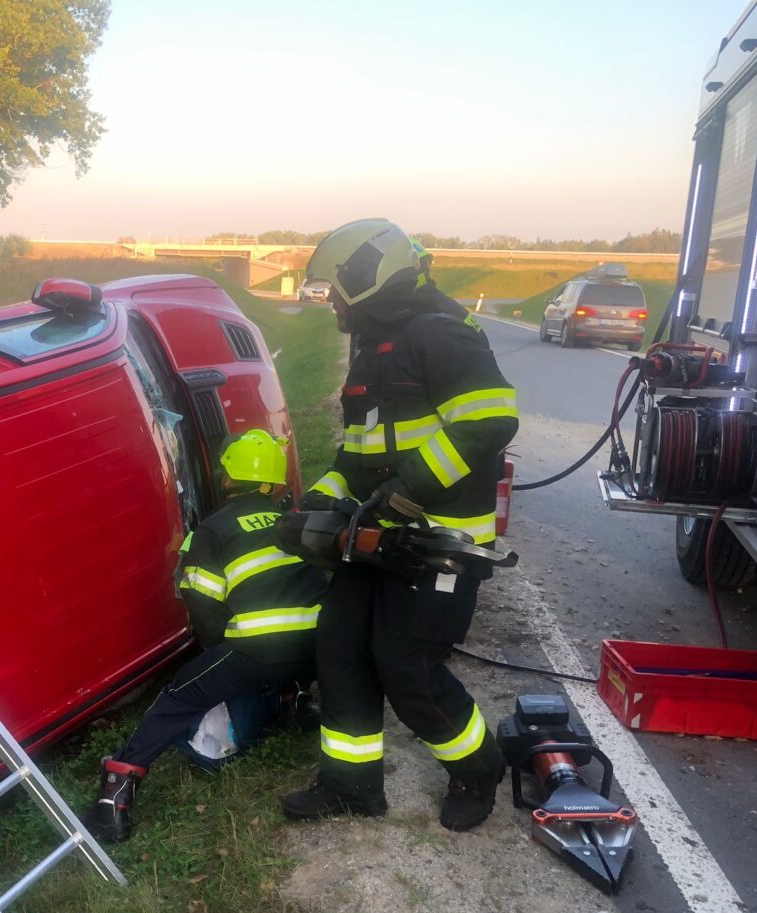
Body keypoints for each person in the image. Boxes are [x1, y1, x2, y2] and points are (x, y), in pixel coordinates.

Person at [281, 218, 519, 832]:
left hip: (441, 542)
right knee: (340, 649)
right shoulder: (372, 347)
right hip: (380, 536)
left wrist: (404, 491)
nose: (329, 301)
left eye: (334, 289)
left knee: (405, 665)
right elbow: (357, 453)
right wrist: (319, 503)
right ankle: (351, 783)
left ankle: (477, 766)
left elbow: (490, 421)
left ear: (366, 280)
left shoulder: (442, 334)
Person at [84, 430, 327, 843]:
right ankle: (295, 705)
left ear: (228, 480)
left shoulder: (212, 531)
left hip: (255, 650)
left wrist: (220, 660)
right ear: (274, 483)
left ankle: (115, 793)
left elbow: (204, 607)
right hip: (319, 645)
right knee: (286, 641)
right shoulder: (293, 520)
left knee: (179, 695)